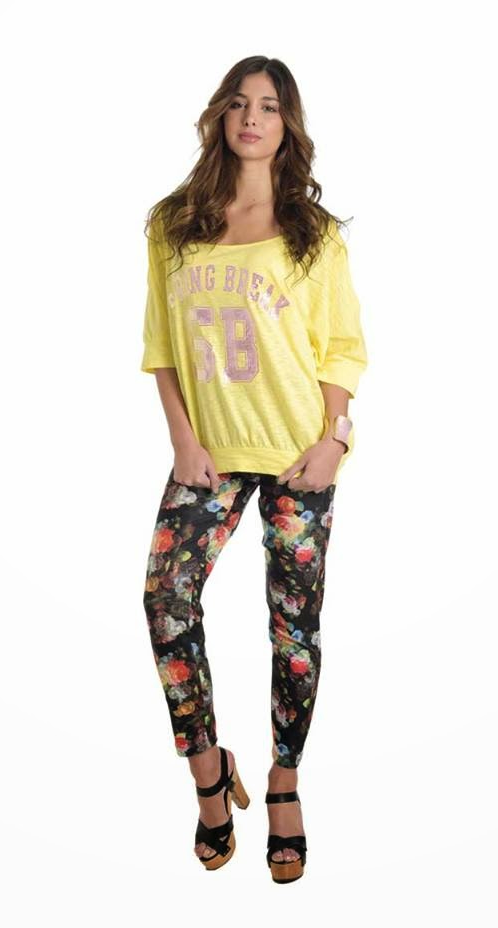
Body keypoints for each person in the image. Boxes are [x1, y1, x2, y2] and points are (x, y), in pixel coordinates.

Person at [140, 55, 368, 883]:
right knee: (165, 600)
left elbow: (341, 347)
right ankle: (209, 773)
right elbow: (162, 347)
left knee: (293, 630)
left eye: (268, 106)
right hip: (209, 456)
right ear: (220, 116)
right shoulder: (174, 225)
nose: (251, 118)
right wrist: (182, 440)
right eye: (239, 103)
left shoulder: (316, 233)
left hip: (300, 456)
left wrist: (334, 440)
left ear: (286, 124)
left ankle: (283, 782)